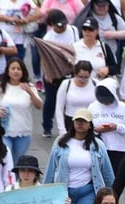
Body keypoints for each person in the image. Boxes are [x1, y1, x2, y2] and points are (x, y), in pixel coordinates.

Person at [44, 108, 116, 204]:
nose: (80, 124)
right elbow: (51, 168)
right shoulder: (60, 142)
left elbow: (107, 172)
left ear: (90, 125)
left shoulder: (98, 145)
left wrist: (111, 194)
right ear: (73, 123)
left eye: (84, 121)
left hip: (88, 192)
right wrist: (46, 192)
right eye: (77, 121)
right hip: (64, 193)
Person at [0, 57, 42, 159]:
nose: (16, 71)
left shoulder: (29, 86)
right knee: (6, 158)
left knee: (17, 163)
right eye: (13, 68)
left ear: (23, 71)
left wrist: (30, 92)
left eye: (19, 69)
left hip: (23, 132)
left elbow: (39, 105)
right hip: (3, 131)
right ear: (8, 71)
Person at [41, 9, 81, 138]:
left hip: (70, 70)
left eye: (64, 24)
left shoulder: (73, 30)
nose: (63, 27)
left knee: (68, 101)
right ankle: (47, 126)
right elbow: (44, 57)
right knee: (51, 101)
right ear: (51, 25)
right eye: (59, 25)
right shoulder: (48, 38)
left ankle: (68, 127)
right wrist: (47, 73)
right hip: (54, 71)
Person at [89, 77, 125, 175]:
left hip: (117, 149)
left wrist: (116, 127)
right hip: (98, 148)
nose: (105, 102)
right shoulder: (93, 107)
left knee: (115, 178)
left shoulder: (122, 107)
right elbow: (86, 129)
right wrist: (96, 130)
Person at [54, 61, 98, 136]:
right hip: (71, 122)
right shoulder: (66, 84)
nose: (83, 80)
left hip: (90, 122)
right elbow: (59, 109)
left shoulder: (96, 84)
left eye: (86, 77)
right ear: (75, 74)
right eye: (80, 77)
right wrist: (62, 130)